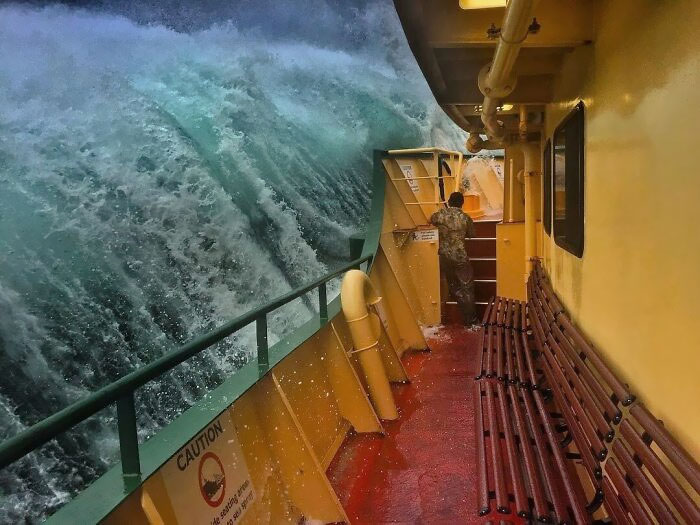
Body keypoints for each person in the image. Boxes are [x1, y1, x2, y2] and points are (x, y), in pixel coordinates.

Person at [430, 192, 477, 325]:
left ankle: (463, 305)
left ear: (449, 202)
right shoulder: (465, 217)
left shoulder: (440, 214)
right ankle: (471, 321)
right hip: (460, 257)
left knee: (453, 286)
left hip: (444, 256)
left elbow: (431, 220)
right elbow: (472, 235)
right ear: (462, 203)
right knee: (467, 287)